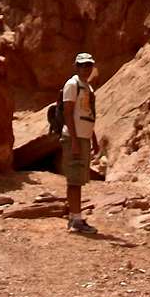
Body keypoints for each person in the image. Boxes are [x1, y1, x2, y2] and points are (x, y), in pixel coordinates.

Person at [62, 51, 98, 234]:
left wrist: (94, 138)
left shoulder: (87, 87)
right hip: (74, 138)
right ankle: (75, 220)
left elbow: (88, 114)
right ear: (76, 67)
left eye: (89, 65)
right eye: (83, 65)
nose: (86, 68)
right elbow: (68, 112)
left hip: (83, 137)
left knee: (79, 179)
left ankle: (75, 217)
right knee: (74, 180)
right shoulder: (72, 84)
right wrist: (74, 140)